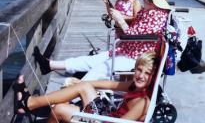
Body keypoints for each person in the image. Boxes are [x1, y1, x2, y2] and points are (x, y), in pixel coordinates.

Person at [33, 0, 171, 80]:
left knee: (95, 72)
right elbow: (135, 29)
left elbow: (134, 34)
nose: (145, 0)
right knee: (91, 61)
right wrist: (118, 19)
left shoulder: (156, 16)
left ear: (158, 1)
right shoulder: (148, 11)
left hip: (135, 57)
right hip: (126, 50)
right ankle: (49, 65)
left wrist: (121, 21)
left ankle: (69, 101)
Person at [14, 52, 159, 122]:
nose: (141, 75)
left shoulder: (143, 102)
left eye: (147, 73)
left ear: (153, 77)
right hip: (108, 115)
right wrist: (84, 82)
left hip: (107, 121)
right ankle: (30, 103)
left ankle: (30, 103)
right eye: (139, 70)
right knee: (59, 108)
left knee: (61, 107)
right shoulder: (136, 87)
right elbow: (111, 84)